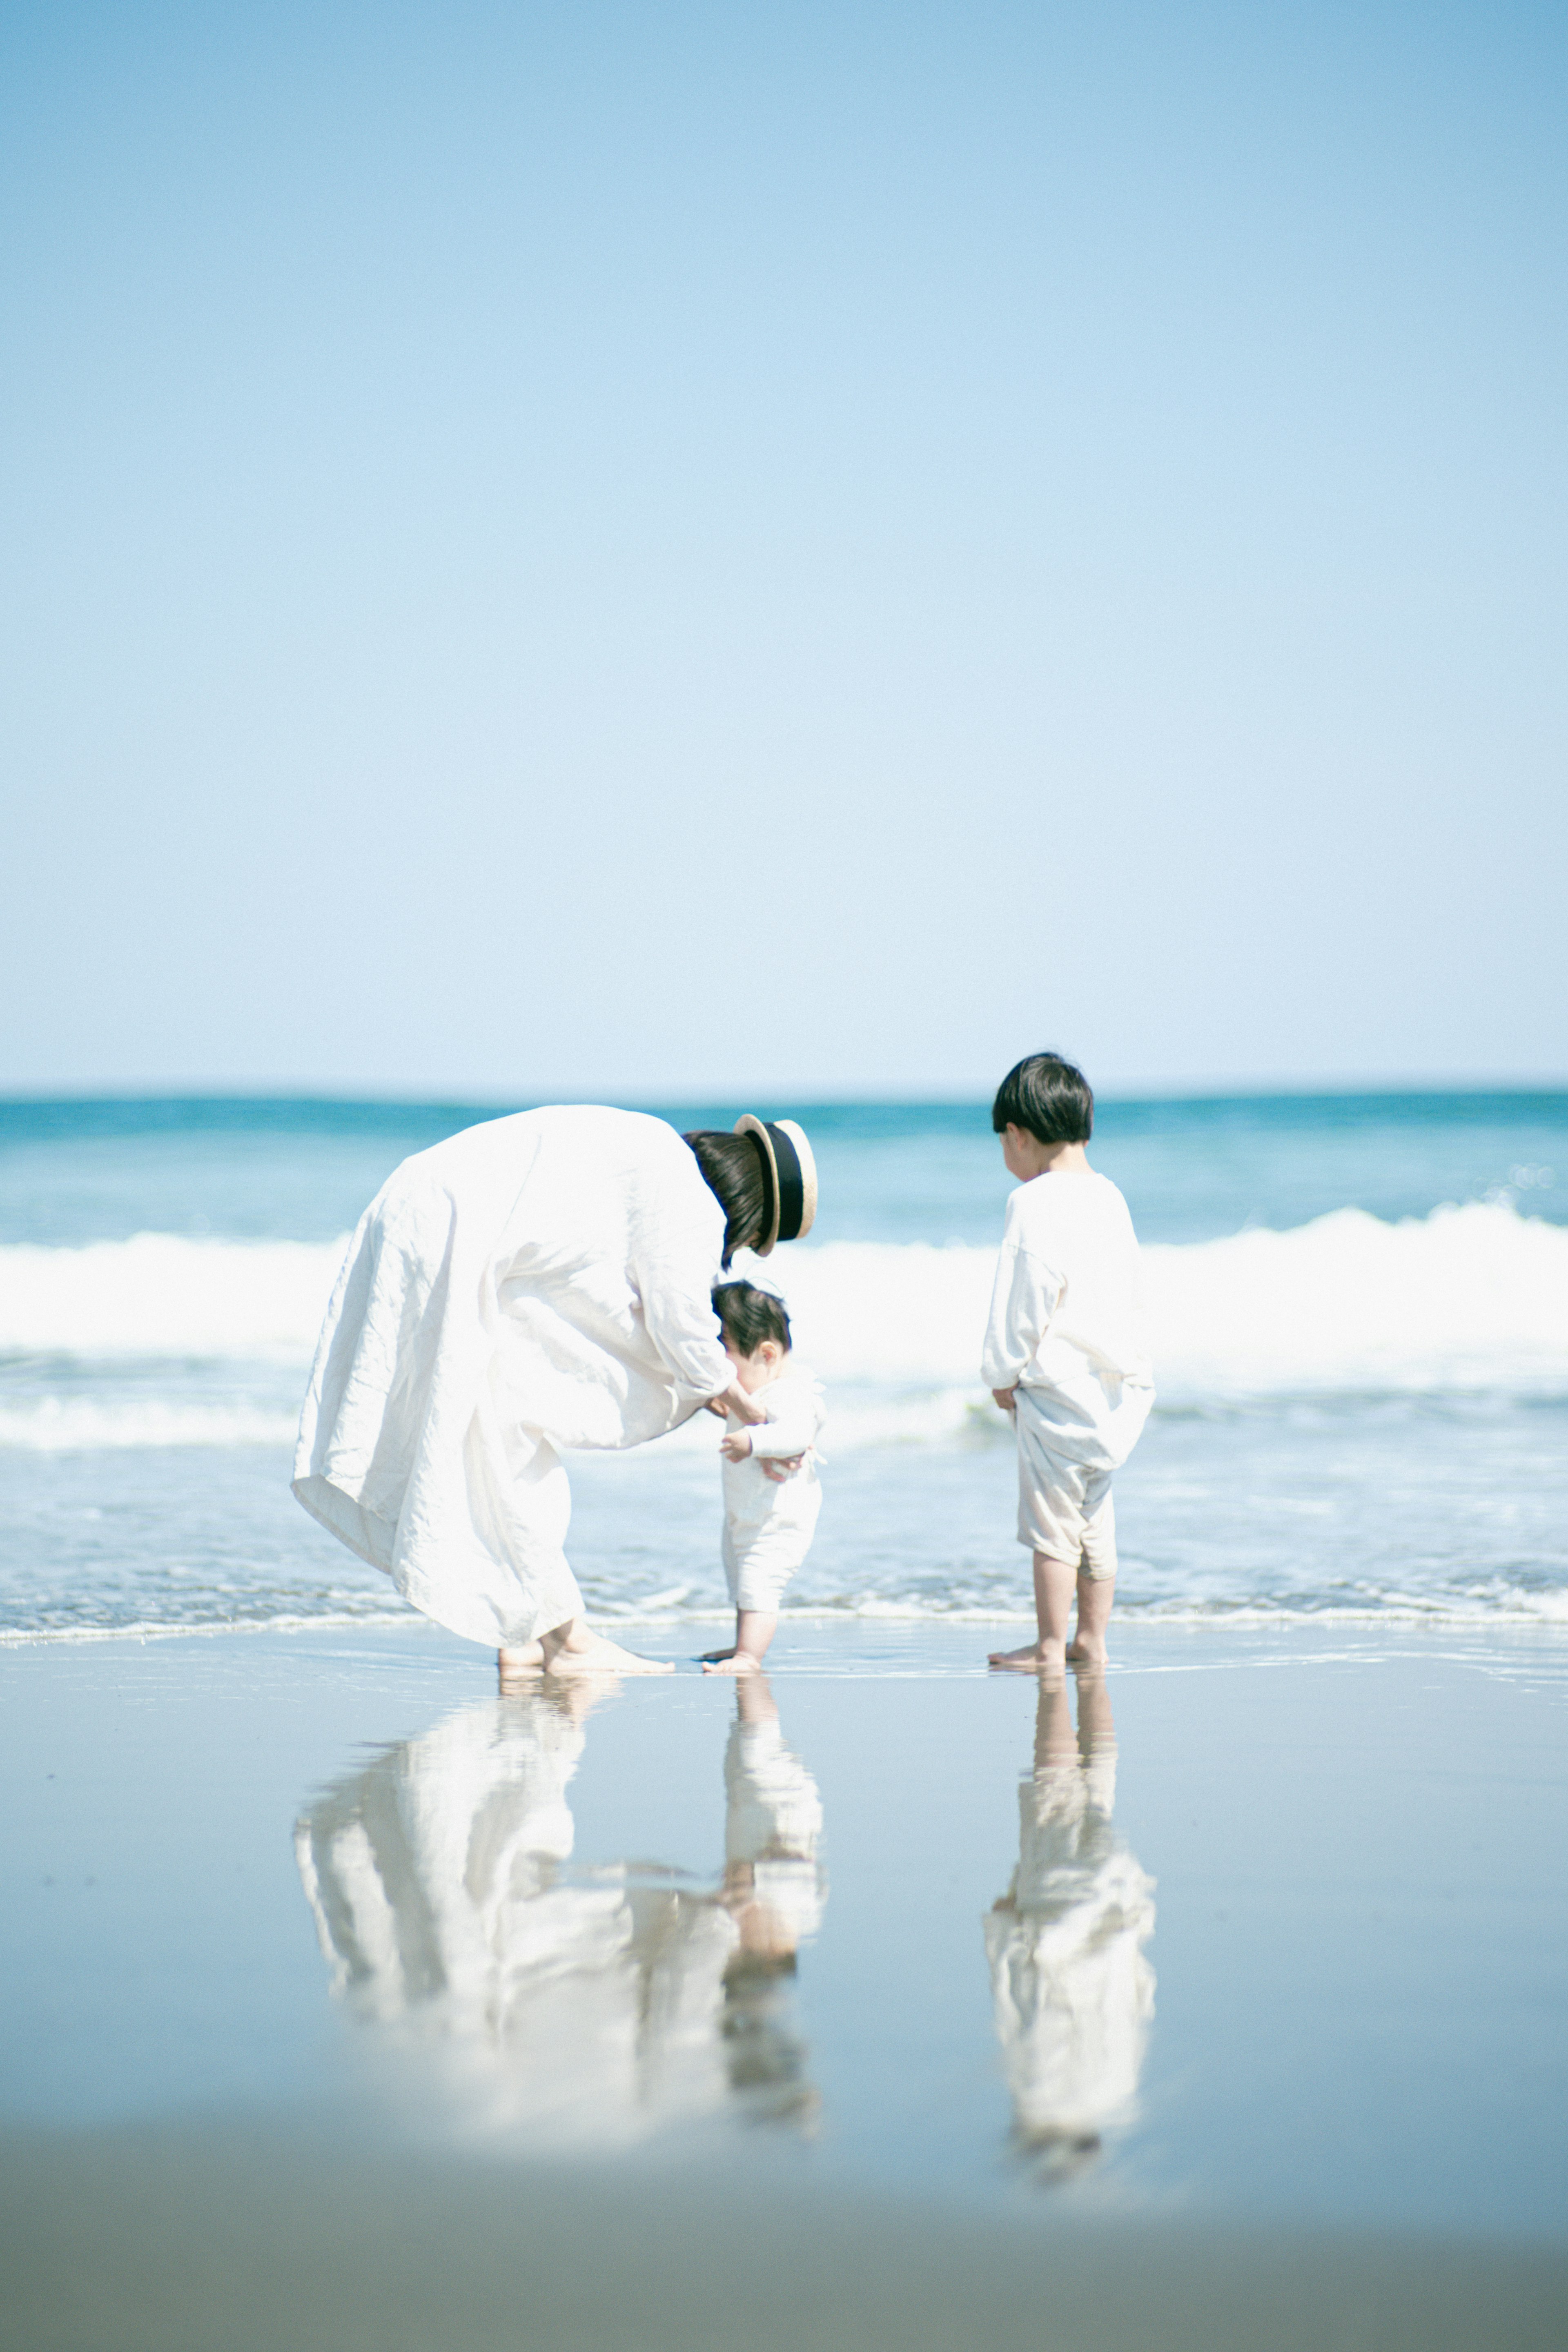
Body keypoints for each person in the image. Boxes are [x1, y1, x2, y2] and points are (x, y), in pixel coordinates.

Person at [292, 1106, 816, 1678]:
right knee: (503, 1425)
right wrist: (745, 1407)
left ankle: (526, 1635)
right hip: (450, 1228)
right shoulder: (689, 1199)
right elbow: (680, 1319)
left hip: (420, 1207)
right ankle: (565, 1642)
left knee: (495, 1416)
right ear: (750, 1209)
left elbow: (600, 1289)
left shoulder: (655, 1156)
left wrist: (703, 1382)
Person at [981, 1054, 1154, 1673]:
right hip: (1116, 1396)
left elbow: (1023, 1298)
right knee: (1095, 1522)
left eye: (1004, 1139)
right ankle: (1093, 1640)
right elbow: (1131, 1291)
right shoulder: (1111, 1196)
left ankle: (1051, 1645)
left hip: (1058, 1394)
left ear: (1019, 1134)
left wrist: (1001, 1373)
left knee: (1052, 1528)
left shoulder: (1032, 1204)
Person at [697, 1280, 826, 1676]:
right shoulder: (761, 1388)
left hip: (776, 1519)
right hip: (749, 1511)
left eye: (727, 1362)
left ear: (767, 1354)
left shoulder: (788, 1394)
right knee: (741, 1577)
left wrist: (752, 1440)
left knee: (759, 1581)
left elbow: (796, 1433)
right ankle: (742, 1646)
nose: (723, 1377)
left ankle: (750, 1657)